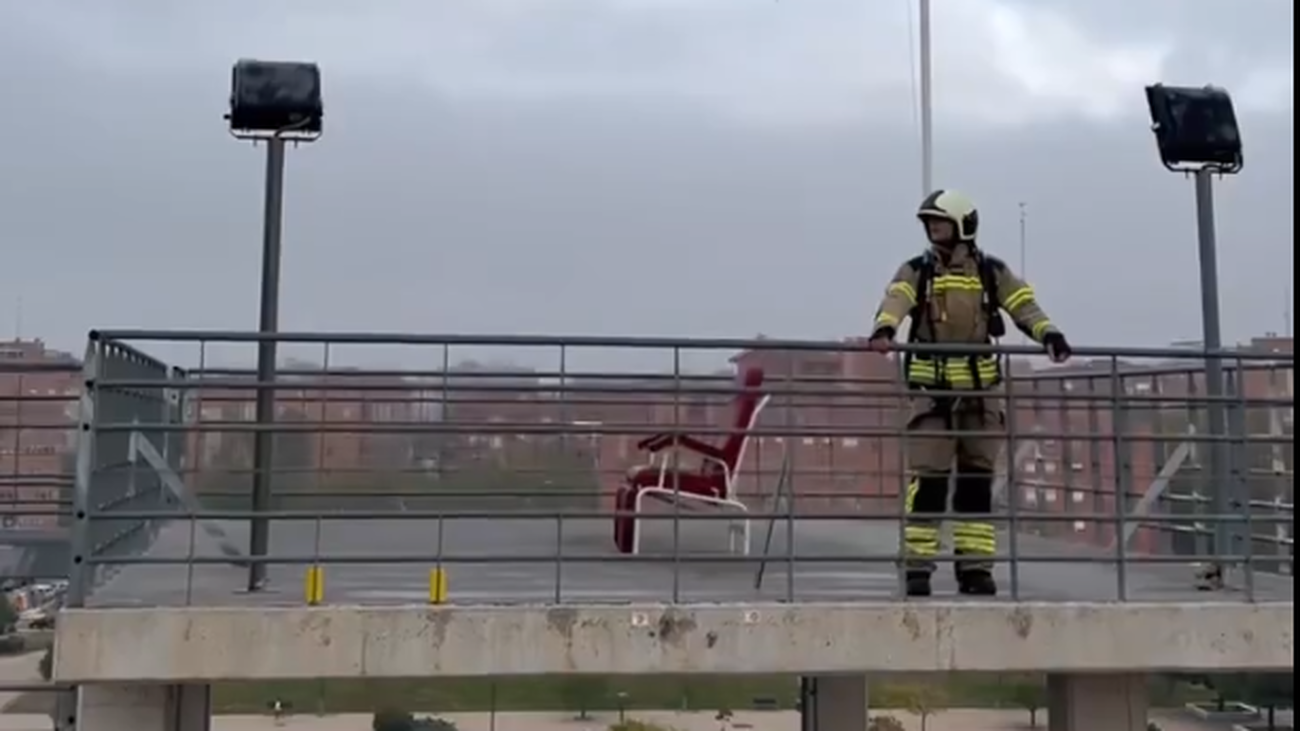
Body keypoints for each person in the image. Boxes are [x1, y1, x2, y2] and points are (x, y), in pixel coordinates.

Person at [868, 189, 1072, 597]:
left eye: (939, 223)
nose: (932, 230)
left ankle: (975, 569)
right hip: (932, 399)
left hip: (980, 400)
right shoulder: (917, 271)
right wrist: (885, 328)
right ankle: (917, 569)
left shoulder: (990, 272)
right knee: (928, 485)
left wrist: (1048, 334)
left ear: (963, 225)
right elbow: (896, 298)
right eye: (929, 224)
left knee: (977, 486)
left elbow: (1023, 306)